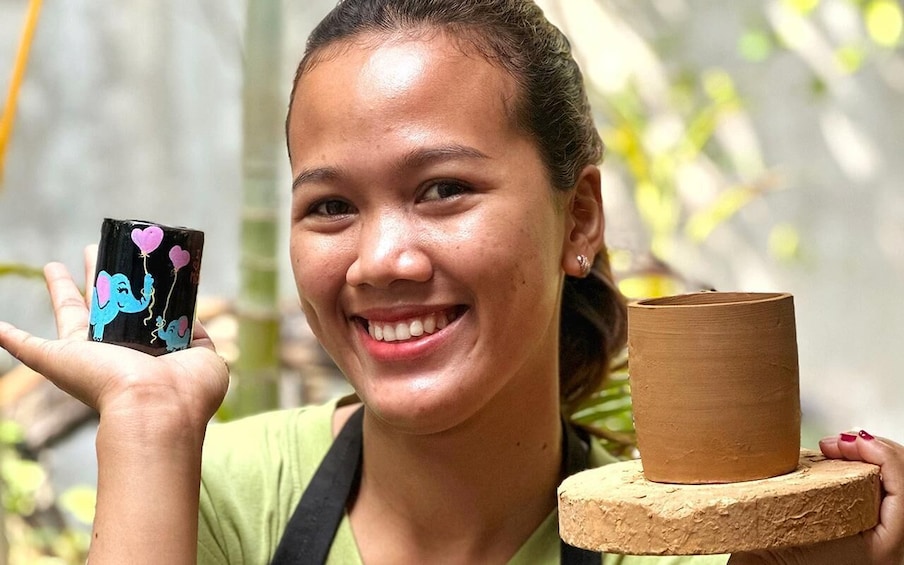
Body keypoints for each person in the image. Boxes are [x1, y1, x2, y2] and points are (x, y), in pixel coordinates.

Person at [1, 0, 902, 563]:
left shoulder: (677, 545)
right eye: (329, 206)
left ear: (578, 219)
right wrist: (150, 425)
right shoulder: (218, 494)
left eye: (443, 189)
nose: (382, 258)